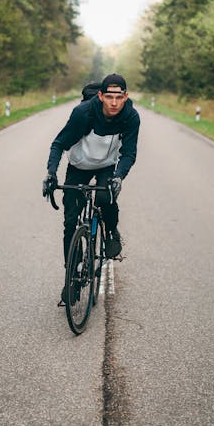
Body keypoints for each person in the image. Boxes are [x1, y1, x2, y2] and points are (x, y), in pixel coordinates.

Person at [43, 73, 140, 300]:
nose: (114, 103)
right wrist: (50, 172)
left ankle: (111, 231)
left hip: (106, 166)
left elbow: (129, 152)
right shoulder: (83, 114)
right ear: (100, 96)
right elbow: (59, 144)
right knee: (70, 222)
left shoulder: (130, 117)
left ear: (125, 97)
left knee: (106, 199)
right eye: (109, 97)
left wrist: (119, 177)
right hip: (78, 166)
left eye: (119, 97)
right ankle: (71, 276)